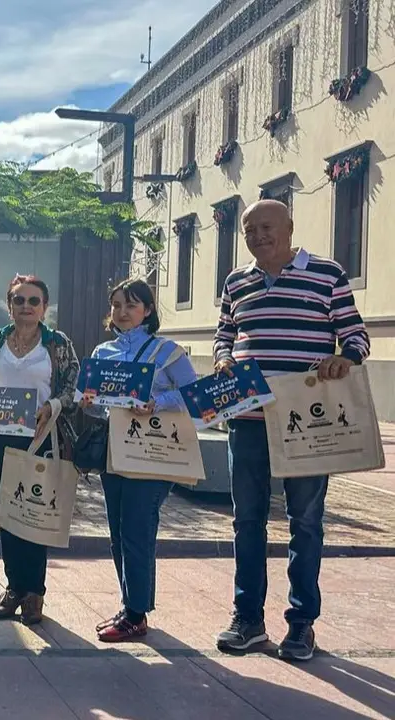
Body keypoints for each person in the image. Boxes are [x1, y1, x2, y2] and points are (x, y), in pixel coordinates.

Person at [213, 199, 370, 662]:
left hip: (308, 422)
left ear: (289, 228)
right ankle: (248, 620)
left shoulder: (327, 274)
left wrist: (347, 358)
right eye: (250, 229)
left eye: (266, 226)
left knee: (304, 523)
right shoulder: (236, 281)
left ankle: (301, 624)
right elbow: (225, 332)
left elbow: (356, 334)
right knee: (246, 521)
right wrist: (223, 357)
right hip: (247, 418)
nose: (258, 235)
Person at [81, 279, 198, 642]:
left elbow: (194, 394)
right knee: (118, 532)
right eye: (116, 305)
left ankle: (136, 613)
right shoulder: (103, 352)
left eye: (131, 305)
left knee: (137, 529)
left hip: (155, 453)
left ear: (147, 310)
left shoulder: (168, 352)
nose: (122, 312)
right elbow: (97, 403)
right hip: (116, 451)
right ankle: (131, 605)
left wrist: (156, 403)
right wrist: (89, 401)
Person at [0, 275, 79, 624]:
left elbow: (72, 389)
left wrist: (52, 407)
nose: (26, 307)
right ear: (9, 305)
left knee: (33, 513)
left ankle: (35, 592)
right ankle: (14, 586)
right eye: (19, 300)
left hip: (40, 438)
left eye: (34, 301)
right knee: (8, 513)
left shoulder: (58, 343)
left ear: (45, 307)